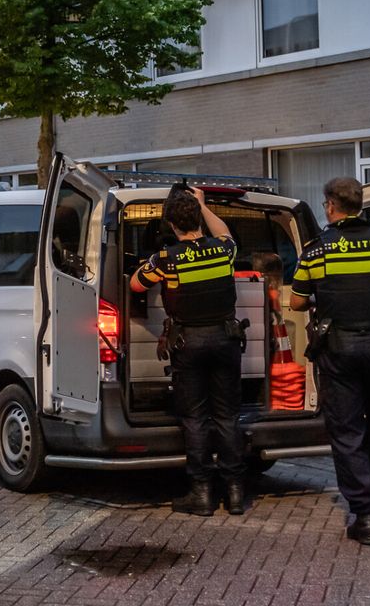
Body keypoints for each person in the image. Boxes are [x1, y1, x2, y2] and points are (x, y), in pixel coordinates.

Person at [288, 177, 370, 546]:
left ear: (331, 206)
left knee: (347, 432)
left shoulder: (316, 251)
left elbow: (297, 302)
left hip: (340, 349)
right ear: (360, 205)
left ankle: (363, 516)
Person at [130, 185, 246, 516]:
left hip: (188, 344)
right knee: (227, 416)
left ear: (171, 224)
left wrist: (147, 264)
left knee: (195, 419)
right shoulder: (224, 250)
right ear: (197, 218)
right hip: (226, 341)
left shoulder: (166, 259)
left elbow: (136, 284)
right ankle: (236, 494)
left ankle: (202, 495)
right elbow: (224, 232)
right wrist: (203, 205)